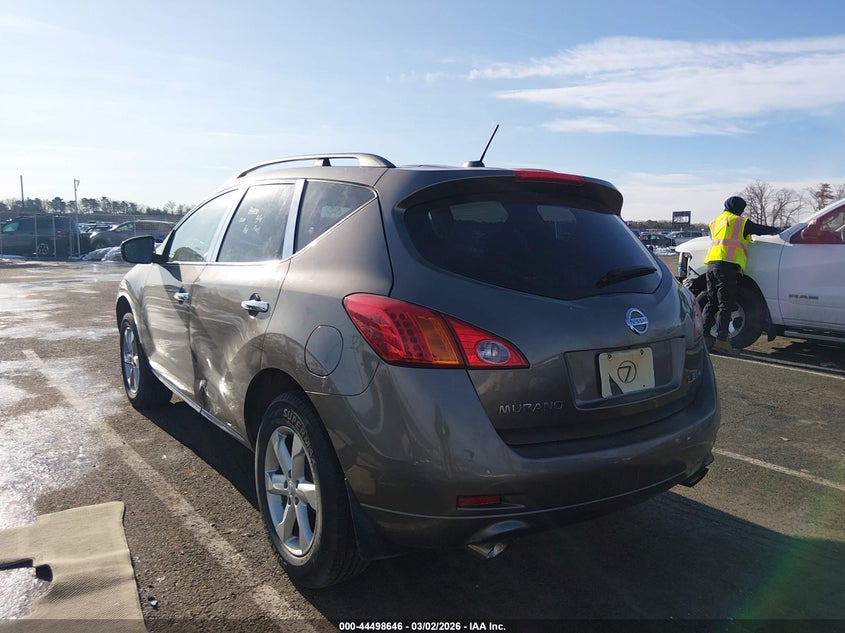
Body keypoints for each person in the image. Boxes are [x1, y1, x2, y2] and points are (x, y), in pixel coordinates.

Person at [702, 196, 780, 355]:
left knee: (712, 302)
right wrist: (777, 230)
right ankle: (722, 341)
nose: (742, 211)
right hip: (727, 266)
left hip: (711, 265)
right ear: (737, 208)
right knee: (726, 304)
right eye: (741, 208)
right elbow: (760, 229)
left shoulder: (715, 222)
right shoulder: (740, 222)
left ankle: (704, 338)